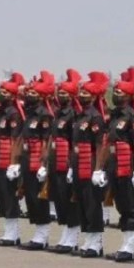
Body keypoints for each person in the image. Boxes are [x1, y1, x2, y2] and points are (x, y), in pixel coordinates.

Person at [102, 68, 134, 262]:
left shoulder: (132, 116)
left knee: (130, 206)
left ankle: (131, 246)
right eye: (115, 91)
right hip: (114, 165)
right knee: (121, 205)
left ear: (128, 96)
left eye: (119, 92)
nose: (116, 94)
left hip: (127, 166)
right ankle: (125, 244)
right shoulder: (114, 116)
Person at [70, 72, 109, 258]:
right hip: (79, 163)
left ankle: (96, 242)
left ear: (93, 97)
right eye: (81, 93)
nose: (82, 96)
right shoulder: (79, 116)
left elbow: (101, 144)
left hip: (90, 163)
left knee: (93, 203)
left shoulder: (95, 117)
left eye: (86, 93)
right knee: (82, 203)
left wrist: (98, 169)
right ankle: (89, 239)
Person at [17, 73, 56, 251]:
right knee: (30, 197)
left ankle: (43, 235)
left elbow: (47, 141)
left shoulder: (44, 114)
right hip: (27, 159)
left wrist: (44, 165)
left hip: (37, 161)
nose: (29, 95)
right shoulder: (29, 114)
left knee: (39, 199)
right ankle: (38, 233)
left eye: (33, 93)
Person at [47, 72, 82, 253]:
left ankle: (73, 236)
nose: (61, 96)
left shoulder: (73, 115)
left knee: (69, 200)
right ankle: (66, 234)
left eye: (64, 94)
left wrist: (70, 165)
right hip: (55, 162)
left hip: (66, 163)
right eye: (59, 93)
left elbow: (73, 142)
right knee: (59, 198)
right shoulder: (58, 113)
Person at [0, 75, 25, 246]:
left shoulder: (13, 114)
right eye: (1, 91)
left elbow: (15, 139)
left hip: (7, 159)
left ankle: (13, 233)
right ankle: (8, 231)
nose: (1, 94)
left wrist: (14, 163)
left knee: (9, 195)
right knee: (1, 195)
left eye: (5, 92)